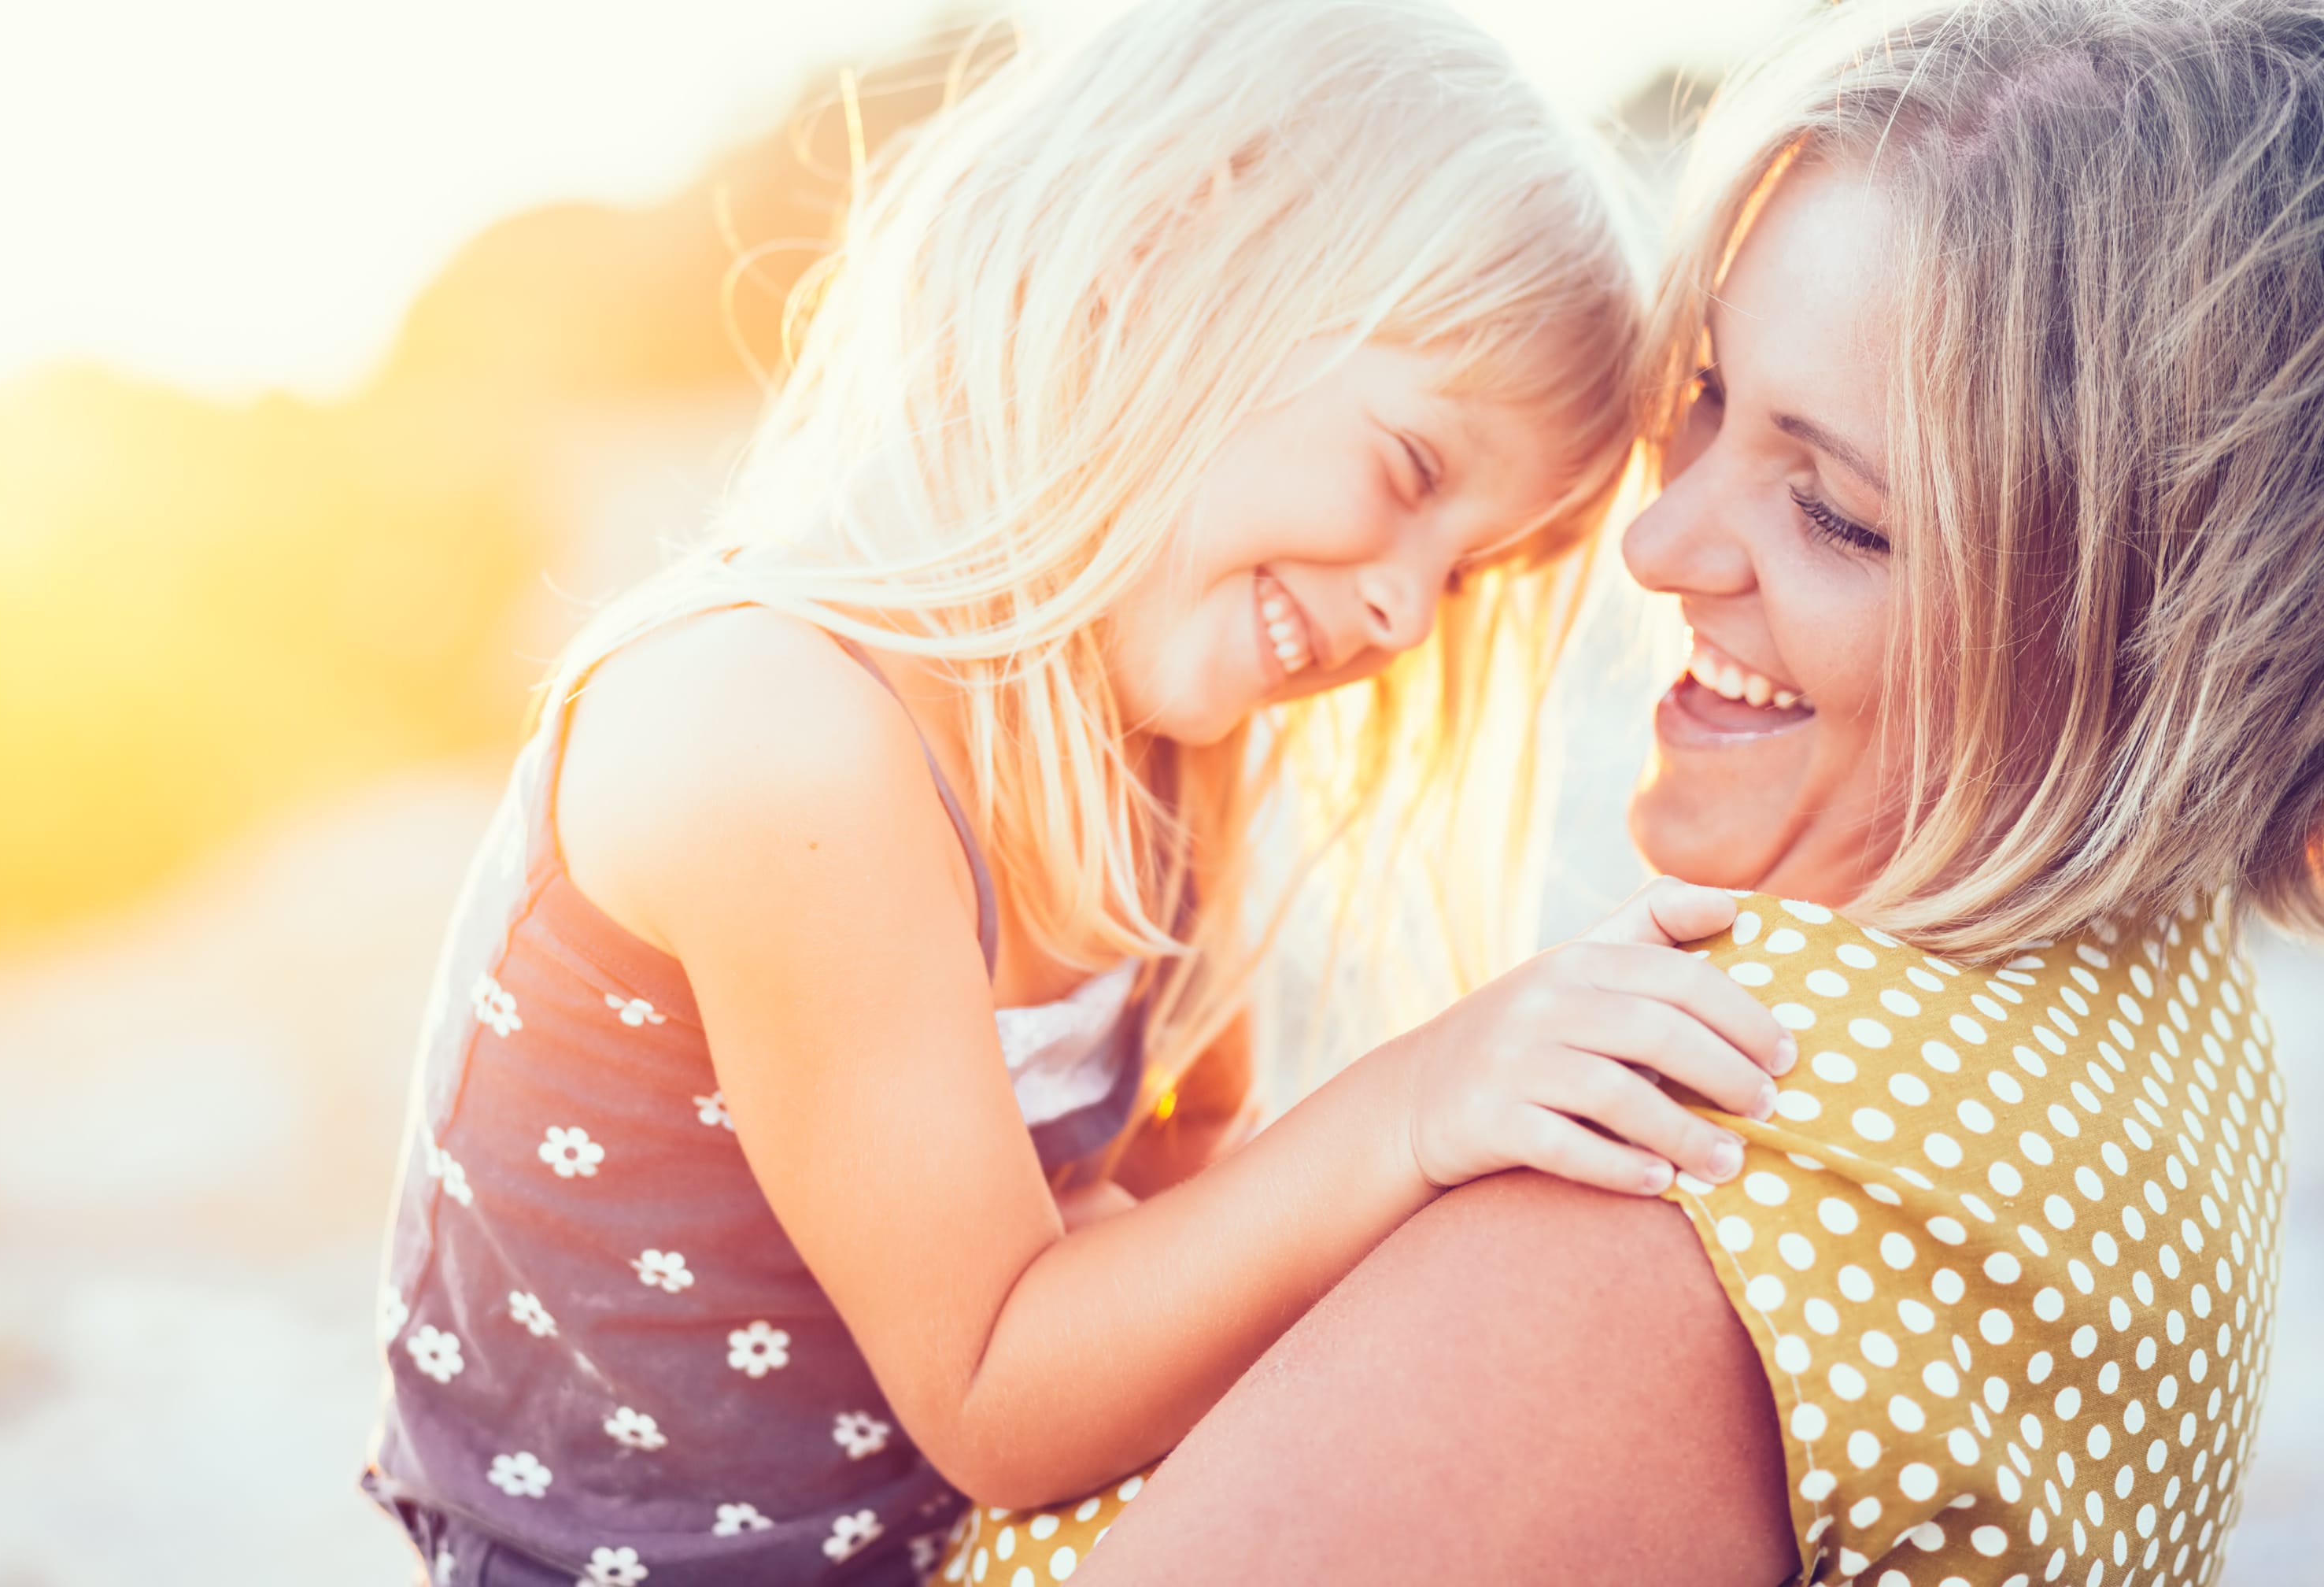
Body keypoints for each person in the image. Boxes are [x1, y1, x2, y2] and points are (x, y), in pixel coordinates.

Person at [359, 2, 1802, 1582]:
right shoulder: (773, 731)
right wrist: (1421, 1100)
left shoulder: (1165, 752)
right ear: (1161, 260)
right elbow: (998, 1387)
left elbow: (1182, 1192)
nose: (1401, 613)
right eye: (1406, 473)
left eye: (1463, 581)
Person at [954, 0, 2323, 1581]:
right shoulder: (2156, 1012)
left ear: (2161, 636)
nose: (1654, 548)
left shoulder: (1688, 1145)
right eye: (1706, 400)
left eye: (1836, 513)